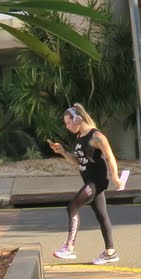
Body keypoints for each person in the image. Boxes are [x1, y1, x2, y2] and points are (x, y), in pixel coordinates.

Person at [47, 103, 125, 264]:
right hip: (89, 180)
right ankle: (110, 252)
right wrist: (63, 152)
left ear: (77, 119)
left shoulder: (96, 136)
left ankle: (69, 248)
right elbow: (79, 162)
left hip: (97, 181)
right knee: (102, 215)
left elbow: (110, 157)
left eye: (68, 123)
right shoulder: (79, 138)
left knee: (72, 207)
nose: (67, 127)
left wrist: (115, 177)